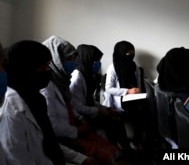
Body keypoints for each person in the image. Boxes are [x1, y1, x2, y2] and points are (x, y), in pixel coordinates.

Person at [41, 36, 118, 165]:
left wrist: (81, 119)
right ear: (55, 60)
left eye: (73, 58)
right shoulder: (47, 86)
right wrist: (78, 130)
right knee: (106, 153)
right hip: (65, 136)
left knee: (111, 148)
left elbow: (69, 105)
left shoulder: (62, 81)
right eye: (68, 59)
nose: (73, 62)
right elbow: (52, 123)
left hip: (75, 125)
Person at [0, 41, 64, 165]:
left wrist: (80, 158)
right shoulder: (11, 110)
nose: (48, 72)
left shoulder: (36, 99)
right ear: (23, 71)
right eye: (42, 68)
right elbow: (17, 159)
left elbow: (48, 141)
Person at [70, 44, 127, 147]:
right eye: (96, 61)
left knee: (116, 117)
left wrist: (105, 108)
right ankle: (117, 150)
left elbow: (90, 99)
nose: (98, 64)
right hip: (81, 117)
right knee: (112, 122)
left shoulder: (87, 74)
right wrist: (99, 111)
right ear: (88, 59)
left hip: (88, 111)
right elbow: (76, 106)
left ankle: (121, 149)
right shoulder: (77, 76)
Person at [102, 40, 148, 150]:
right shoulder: (113, 67)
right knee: (139, 110)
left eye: (132, 53)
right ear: (121, 53)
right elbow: (108, 89)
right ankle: (131, 143)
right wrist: (127, 91)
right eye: (128, 53)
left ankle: (138, 141)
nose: (130, 56)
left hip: (134, 97)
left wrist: (137, 91)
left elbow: (139, 84)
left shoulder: (134, 66)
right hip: (120, 100)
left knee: (147, 108)